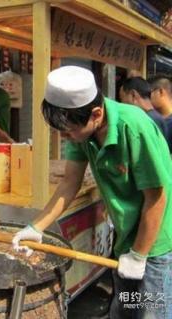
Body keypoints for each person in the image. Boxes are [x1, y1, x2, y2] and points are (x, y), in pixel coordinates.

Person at [12, 66, 172, 319]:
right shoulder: (83, 134)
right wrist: (36, 227)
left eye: (69, 131)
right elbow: (69, 183)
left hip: (156, 242)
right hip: (126, 236)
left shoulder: (135, 127)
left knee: (152, 312)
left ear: (96, 113)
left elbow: (157, 198)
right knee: (127, 309)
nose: (66, 137)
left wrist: (140, 254)